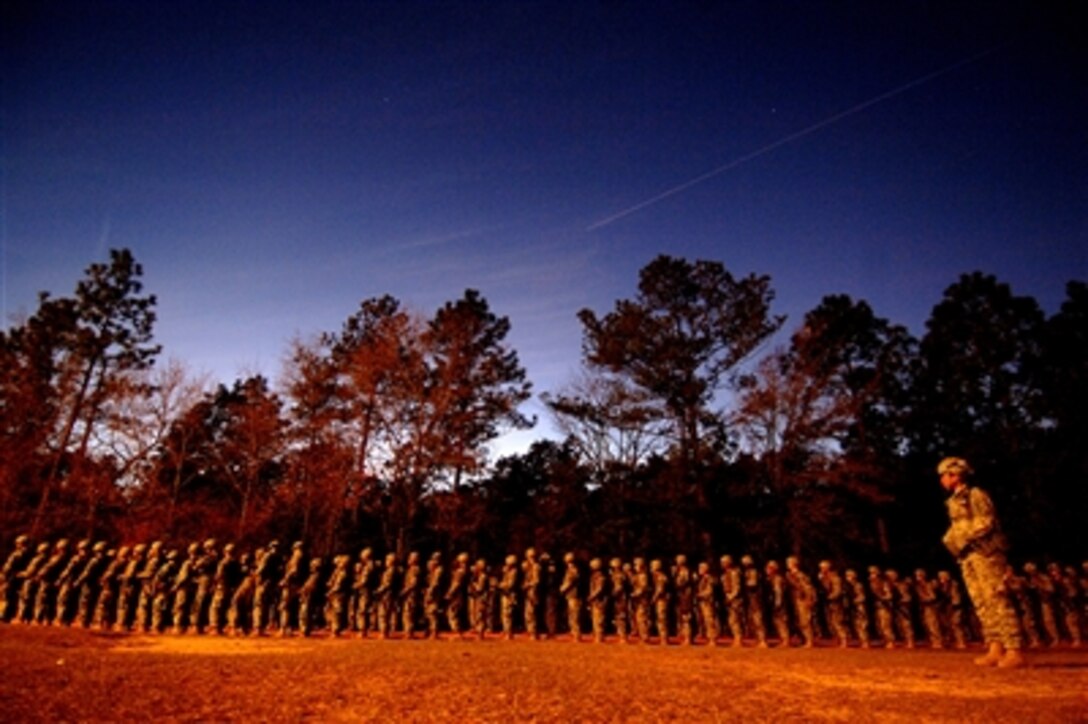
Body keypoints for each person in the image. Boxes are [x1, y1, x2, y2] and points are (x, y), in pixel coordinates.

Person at [939, 456, 1024, 667]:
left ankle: (1014, 649)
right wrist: (950, 540)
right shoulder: (953, 501)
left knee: (998, 599)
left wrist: (960, 537)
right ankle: (995, 646)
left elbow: (987, 521)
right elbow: (959, 526)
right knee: (982, 602)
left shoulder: (975, 495)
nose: (942, 479)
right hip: (968, 556)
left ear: (956, 475)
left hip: (987, 554)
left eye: (944, 475)